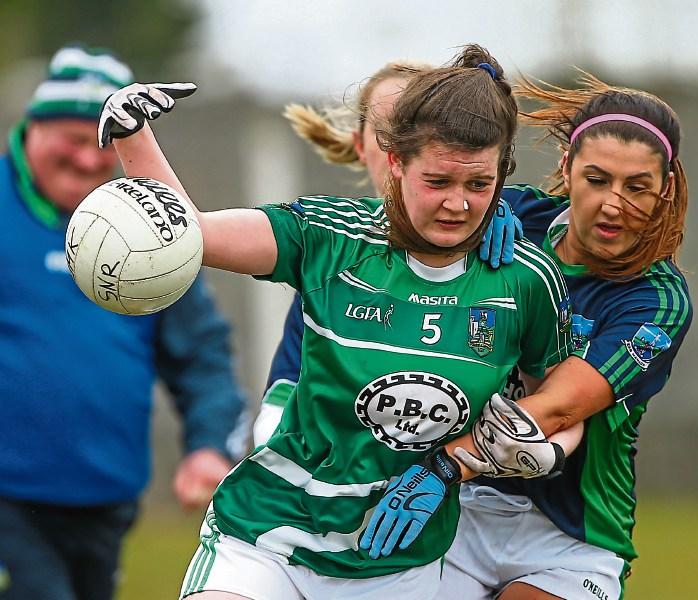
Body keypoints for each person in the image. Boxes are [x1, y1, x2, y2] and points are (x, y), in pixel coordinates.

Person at [98, 44, 578, 600]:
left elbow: (559, 408)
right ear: (395, 164)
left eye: (478, 185)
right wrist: (134, 137)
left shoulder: (526, 280)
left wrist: (533, 451)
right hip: (268, 535)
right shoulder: (331, 238)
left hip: (400, 562)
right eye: (439, 182)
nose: (458, 204)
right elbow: (191, 235)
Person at [0, 44, 248, 600]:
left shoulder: (149, 231)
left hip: (106, 496)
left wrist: (209, 444)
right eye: (72, 139)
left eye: (102, 145)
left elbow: (201, 350)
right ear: (33, 128)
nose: (89, 160)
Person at [438, 74, 693, 600]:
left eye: (637, 187)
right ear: (566, 169)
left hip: (569, 535)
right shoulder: (510, 218)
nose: (613, 205)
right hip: (459, 514)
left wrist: (437, 468)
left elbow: (553, 409)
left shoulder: (656, 301)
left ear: (664, 189)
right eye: (597, 179)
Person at [255, 59, 521, 446]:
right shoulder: (333, 260)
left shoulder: (505, 237)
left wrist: (513, 207)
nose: (404, 141)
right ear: (363, 146)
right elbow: (283, 398)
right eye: (388, 131)